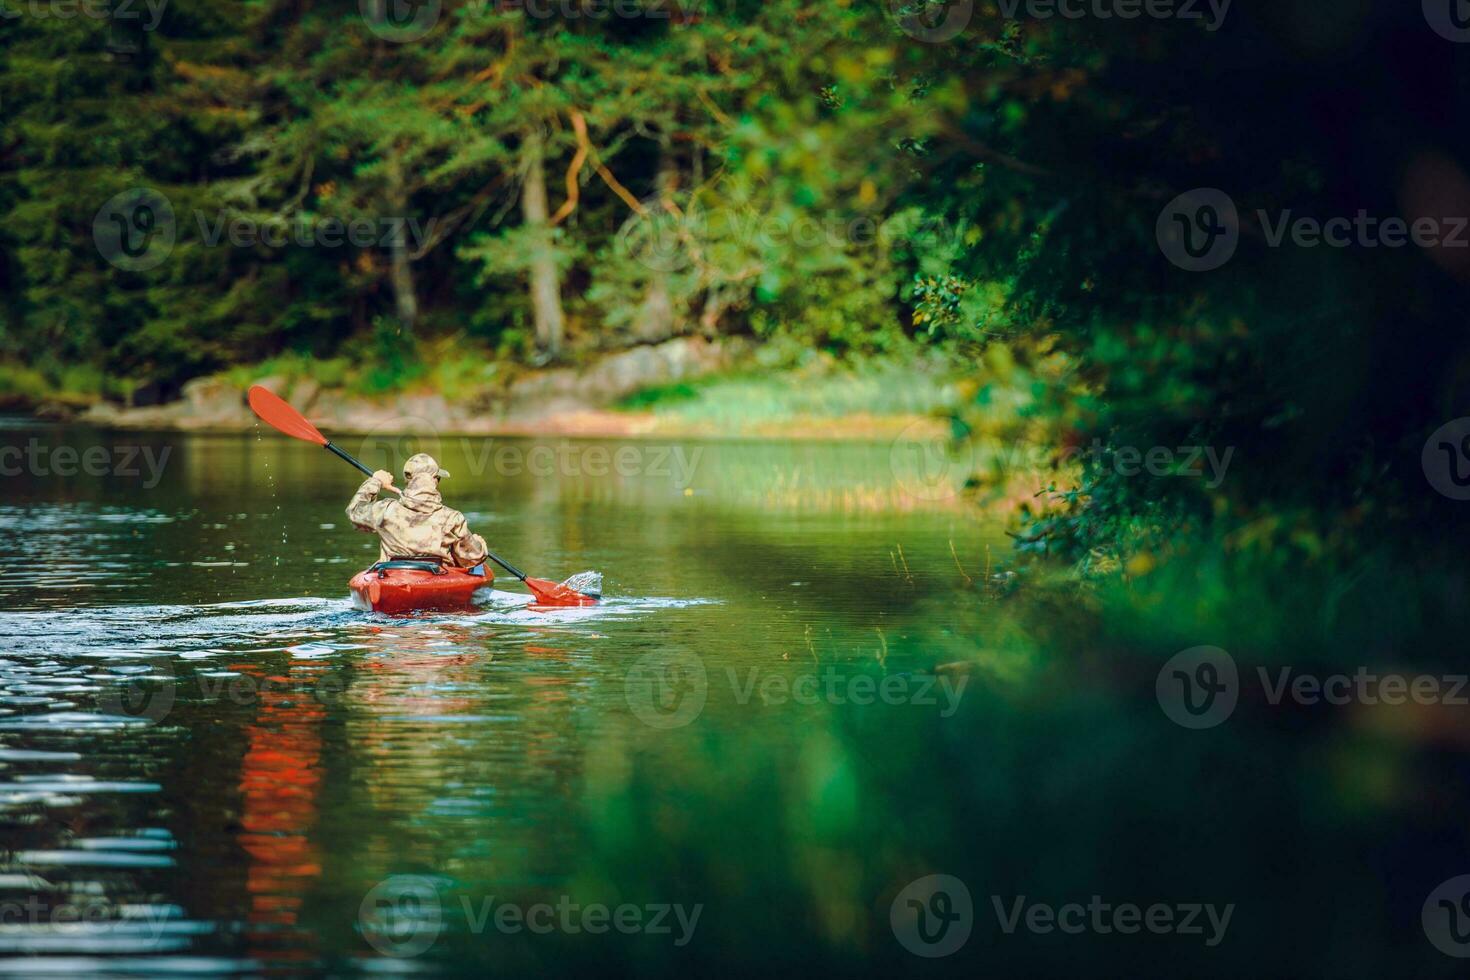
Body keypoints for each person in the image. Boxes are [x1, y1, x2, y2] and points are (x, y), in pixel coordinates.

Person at [346, 452, 488, 567]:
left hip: (393, 576)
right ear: (434, 480)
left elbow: (354, 512)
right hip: (435, 580)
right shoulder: (452, 518)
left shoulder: (386, 510)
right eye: (438, 478)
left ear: (408, 480)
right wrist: (479, 544)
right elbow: (473, 559)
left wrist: (375, 481)